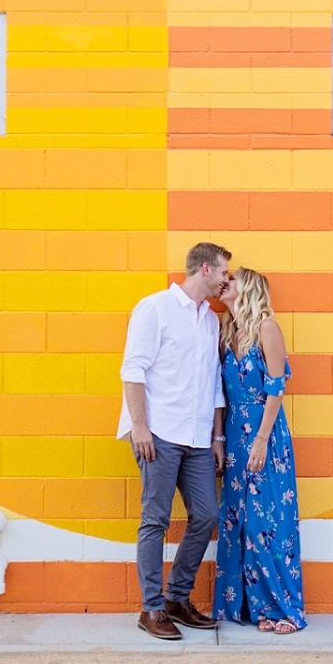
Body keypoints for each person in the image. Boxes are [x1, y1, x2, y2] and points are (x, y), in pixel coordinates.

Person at [117, 241, 231, 640]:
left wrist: (217, 436)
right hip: (159, 433)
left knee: (206, 515)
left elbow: (213, 383)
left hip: (198, 436)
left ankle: (176, 599)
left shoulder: (210, 320)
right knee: (156, 520)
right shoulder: (155, 309)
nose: (225, 280)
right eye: (223, 272)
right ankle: (151, 609)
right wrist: (140, 426)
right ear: (204, 269)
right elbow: (133, 369)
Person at [213, 266, 306, 634]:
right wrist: (219, 438)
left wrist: (262, 440)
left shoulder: (268, 328)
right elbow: (219, 394)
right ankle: (254, 608)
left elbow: (277, 387)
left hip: (264, 435)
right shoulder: (229, 331)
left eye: (232, 279)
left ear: (247, 288)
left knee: (266, 523)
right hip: (235, 435)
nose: (225, 283)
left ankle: (284, 609)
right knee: (238, 522)